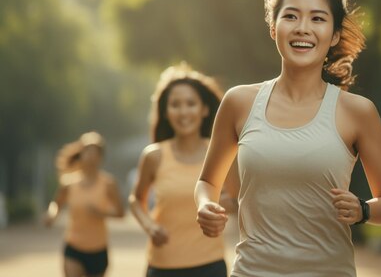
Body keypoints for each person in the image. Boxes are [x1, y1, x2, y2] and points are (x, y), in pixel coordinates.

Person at [194, 0, 381, 277]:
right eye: (291, 16)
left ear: (333, 35)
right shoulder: (239, 103)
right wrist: (205, 205)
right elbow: (208, 181)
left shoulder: (358, 112)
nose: (303, 28)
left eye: (318, 19)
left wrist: (362, 210)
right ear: (273, 28)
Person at [129, 63, 237, 277]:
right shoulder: (154, 156)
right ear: (166, 112)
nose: (183, 112)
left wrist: (227, 206)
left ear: (204, 109)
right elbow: (136, 200)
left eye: (190, 104)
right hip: (163, 266)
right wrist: (150, 227)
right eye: (175, 105)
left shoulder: (222, 153)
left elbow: (239, 203)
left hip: (210, 265)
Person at [45, 131, 125, 277]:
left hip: (98, 250)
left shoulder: (108, 184)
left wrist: (101, 213)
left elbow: (121, 213)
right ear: (80, 154)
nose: (91, 155)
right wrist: (52, 215)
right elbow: (56, 204)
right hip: (74, 247)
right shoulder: (68, 183)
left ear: (101, 157)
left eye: (95, 151)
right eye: (87, 150)